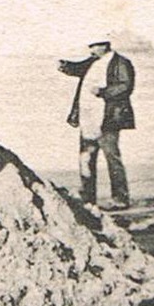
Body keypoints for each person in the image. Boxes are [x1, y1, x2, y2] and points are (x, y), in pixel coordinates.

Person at [57, 38, 136, 208]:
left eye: (93, 46)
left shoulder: (121, 62)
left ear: (104, 46)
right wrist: (64, 66)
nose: (91, 50)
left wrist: (103, 91)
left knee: (112, 158)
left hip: (109, 118)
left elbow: (126, 86)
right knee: (86, 158)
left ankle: (121, 199)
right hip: (88, 118)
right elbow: (78, 68)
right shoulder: (94, 61)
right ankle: (88, 197)